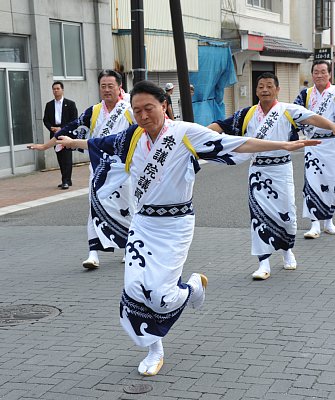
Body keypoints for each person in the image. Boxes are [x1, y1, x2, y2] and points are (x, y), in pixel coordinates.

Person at [55, 80, 320, 376]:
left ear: (164, 106)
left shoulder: (185, 133)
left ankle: (192, 287)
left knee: (161, 294)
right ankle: (154, 348)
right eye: (137, 110)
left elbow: (236, 143)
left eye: (149, 108)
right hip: (143, 224)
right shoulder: (131, 138)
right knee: (133, 287)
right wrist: (71, 143)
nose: (143, 116)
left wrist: (283, 144)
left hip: (175, 225)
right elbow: (97, 144)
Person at [207, 72, 335, 281]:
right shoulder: (246, 114)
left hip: (281, 169)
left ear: (277, 89)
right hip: (258, 171)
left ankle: (286, 252)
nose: (264, 90)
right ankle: (263, 262)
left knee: (287, 214)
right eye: (260, 86)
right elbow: (221, 125)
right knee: (258, 217)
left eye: (269, 86)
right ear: (256, 91)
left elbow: (312, 118)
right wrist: (197, 136)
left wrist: (331, 126)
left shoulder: (287, 110)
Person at [29, 70, 136, 269]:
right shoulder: (94, 111)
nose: (106, 90)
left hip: (123, 170)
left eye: (110, 86)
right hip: (99, 168)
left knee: (127, 208)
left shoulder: (129, 110)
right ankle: (93, 253)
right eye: (103, 86)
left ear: (119, 87)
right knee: (94, 207)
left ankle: (128, 246)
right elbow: (69, 128)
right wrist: (45, 146)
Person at [294, 60, 335, 239]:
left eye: (323, 72)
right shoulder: (305, 94)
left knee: (332, 182)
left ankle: (328, 222)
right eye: (316, 72)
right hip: (313, 144)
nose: (319, 75)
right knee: (312, 182)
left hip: (332, 143)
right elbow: (294, 115)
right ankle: (314, 224)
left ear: (330, 74)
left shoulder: (334, 93)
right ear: (312, 74)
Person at [43, 81, 78, 189]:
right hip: (55, 134)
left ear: (62, 90)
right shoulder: (49, 105)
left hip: (66, 134)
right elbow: (45, 119)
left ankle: (66, 180)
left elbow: (74, 120)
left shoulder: (70, 104)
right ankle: (66, 179)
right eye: (54, 89)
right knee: (60, 158)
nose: (56, 90)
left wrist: (62, 128)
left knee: (66, 157)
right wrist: (51, 128)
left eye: (58, 88)